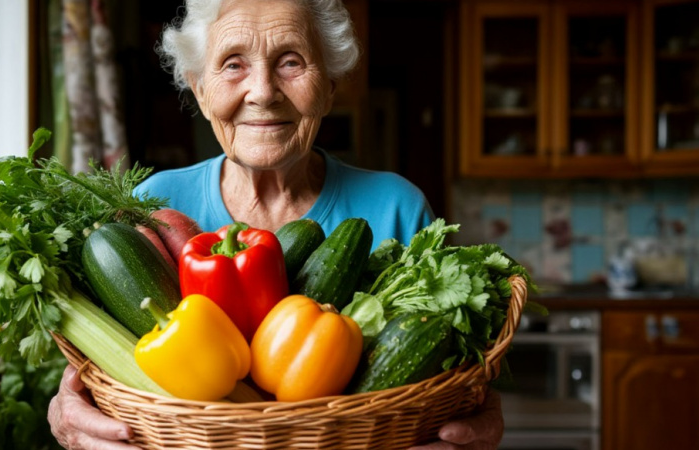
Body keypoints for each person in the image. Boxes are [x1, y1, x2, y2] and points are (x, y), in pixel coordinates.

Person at [47, 0, 504, 449]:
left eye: (290, 62)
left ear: (328, 87)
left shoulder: (396, 207)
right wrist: (66, 409)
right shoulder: (145, 206)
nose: (263, 91)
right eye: (232, 65)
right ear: (200, 90)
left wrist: (478, 411)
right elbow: (94, 373)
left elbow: (456, 372)